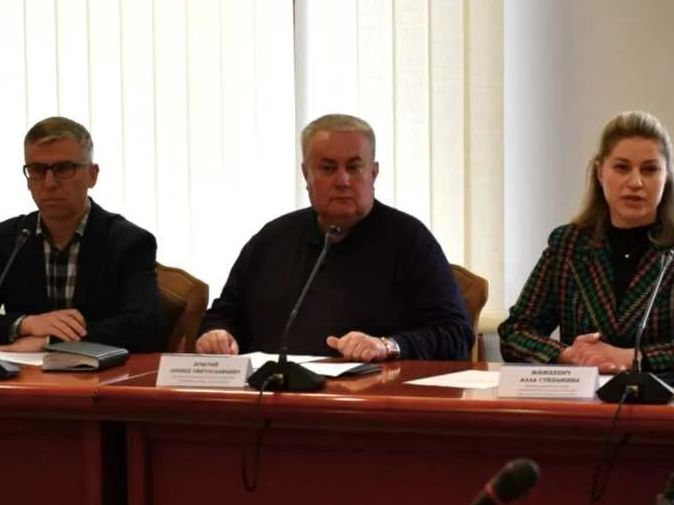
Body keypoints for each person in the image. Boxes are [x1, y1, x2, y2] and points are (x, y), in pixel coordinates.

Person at [195, 113, 473, 362]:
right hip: (272, 394)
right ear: (306, 174)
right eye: (328, 168)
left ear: (373, 173)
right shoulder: (272, 239)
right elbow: (223, 314)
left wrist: (387, 346)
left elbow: (456, 334)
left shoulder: (410, 240)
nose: (342, 181)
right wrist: (217, 335)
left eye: (354, 167)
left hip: (371, 397)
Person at [498, 111, 674, 374]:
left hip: (669, 396)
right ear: (600, 172)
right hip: (586, 396)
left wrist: (633, 357)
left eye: (649, 169)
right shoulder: (568, 245)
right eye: (622, 168)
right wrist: (569, 355)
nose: (636, 182)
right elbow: (515, 332)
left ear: (667, 176)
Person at [0, 117, 162, 352]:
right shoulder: (10, 238)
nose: (50, 183)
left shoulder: (128, 242)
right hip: (23, 373)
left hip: (101, 373)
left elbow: (147, 328)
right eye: (37, 170)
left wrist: (49, 342)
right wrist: (25, 324)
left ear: (92, 175)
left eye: (64, 169)